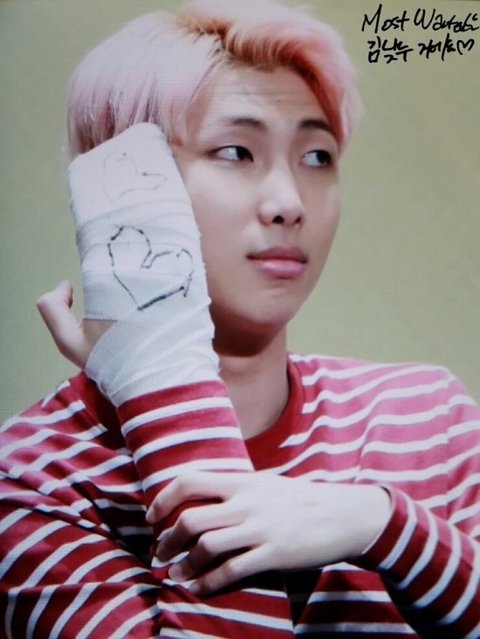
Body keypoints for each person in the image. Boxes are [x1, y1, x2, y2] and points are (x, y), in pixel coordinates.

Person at [1, 0, 479, 637]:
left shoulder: (424, 418)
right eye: (236, 151)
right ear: (116, 188)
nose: (289, 202)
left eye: (317, 156)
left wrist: (385, 524)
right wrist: (159, 378)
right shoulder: (32, 477)